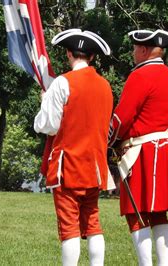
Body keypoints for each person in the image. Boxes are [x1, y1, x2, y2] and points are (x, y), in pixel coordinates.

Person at [109, 29, 168, 266]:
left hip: (144, 150)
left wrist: (106, 139)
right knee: (158, 212)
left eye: (135, 49)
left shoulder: (140, 76)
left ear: (144, 50)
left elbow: (122, 117)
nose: (133, 53)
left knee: (135, 211)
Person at [33, 29, 113, 266]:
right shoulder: (106, 85)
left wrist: (44, 102)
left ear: (69, 53)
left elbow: (47, 126)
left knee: (69, 227)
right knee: (93, 223)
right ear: (92, 57)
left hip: (68, 164)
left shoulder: (62, 83)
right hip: (96, 165)